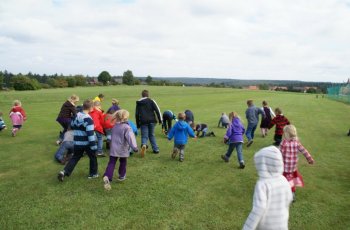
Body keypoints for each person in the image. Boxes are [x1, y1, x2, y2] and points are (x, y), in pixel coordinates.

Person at [243, 146, 293, 230]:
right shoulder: (284, 180)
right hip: (282, 223)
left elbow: (259, 208)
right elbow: (289, 197)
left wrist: (248, 227)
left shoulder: (262, 185)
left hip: (267, 225)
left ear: (263, 166)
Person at [57, 99, 98, 182]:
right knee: (93, 157)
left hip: (77, 142)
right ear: (91, 108)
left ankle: (64, 172)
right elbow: (90, 134)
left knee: (75, 157)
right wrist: (93, 146)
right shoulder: (88, 119)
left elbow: (71, 125)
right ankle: (93, 174)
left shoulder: (76, 116)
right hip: (87, 143)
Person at [103, 109, 138, 190]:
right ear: (126, 117)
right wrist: (135, 147)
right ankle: (122, 176)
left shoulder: (115, 126)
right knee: (123, 162)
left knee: (111, 163)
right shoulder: (127, 127)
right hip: (122, 149)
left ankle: (107, 176)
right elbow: (131, 138)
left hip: (114, 148)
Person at [279, 125, 314, 202]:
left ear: (287, 134)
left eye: (284, 133)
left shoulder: (284, 143)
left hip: (285, 167)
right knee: (291, 180)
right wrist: (309, 159)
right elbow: (304, 151)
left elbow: (279, 153)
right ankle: (291, 193)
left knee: (284, 180)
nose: (283, 135)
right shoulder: (296, 142)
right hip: (293, 167)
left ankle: (288, 194)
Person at [135, 90, 162, 156]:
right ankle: (156, 149)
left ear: (142, 95)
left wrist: (138, 124)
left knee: (144, 136)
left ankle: (144, 145)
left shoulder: (138, 103)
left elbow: (137, 114)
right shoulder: (151, 101)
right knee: (152, 135)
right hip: (152, 121)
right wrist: (160, 120)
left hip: (143, 121)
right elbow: (157, 110)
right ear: (148, 95)